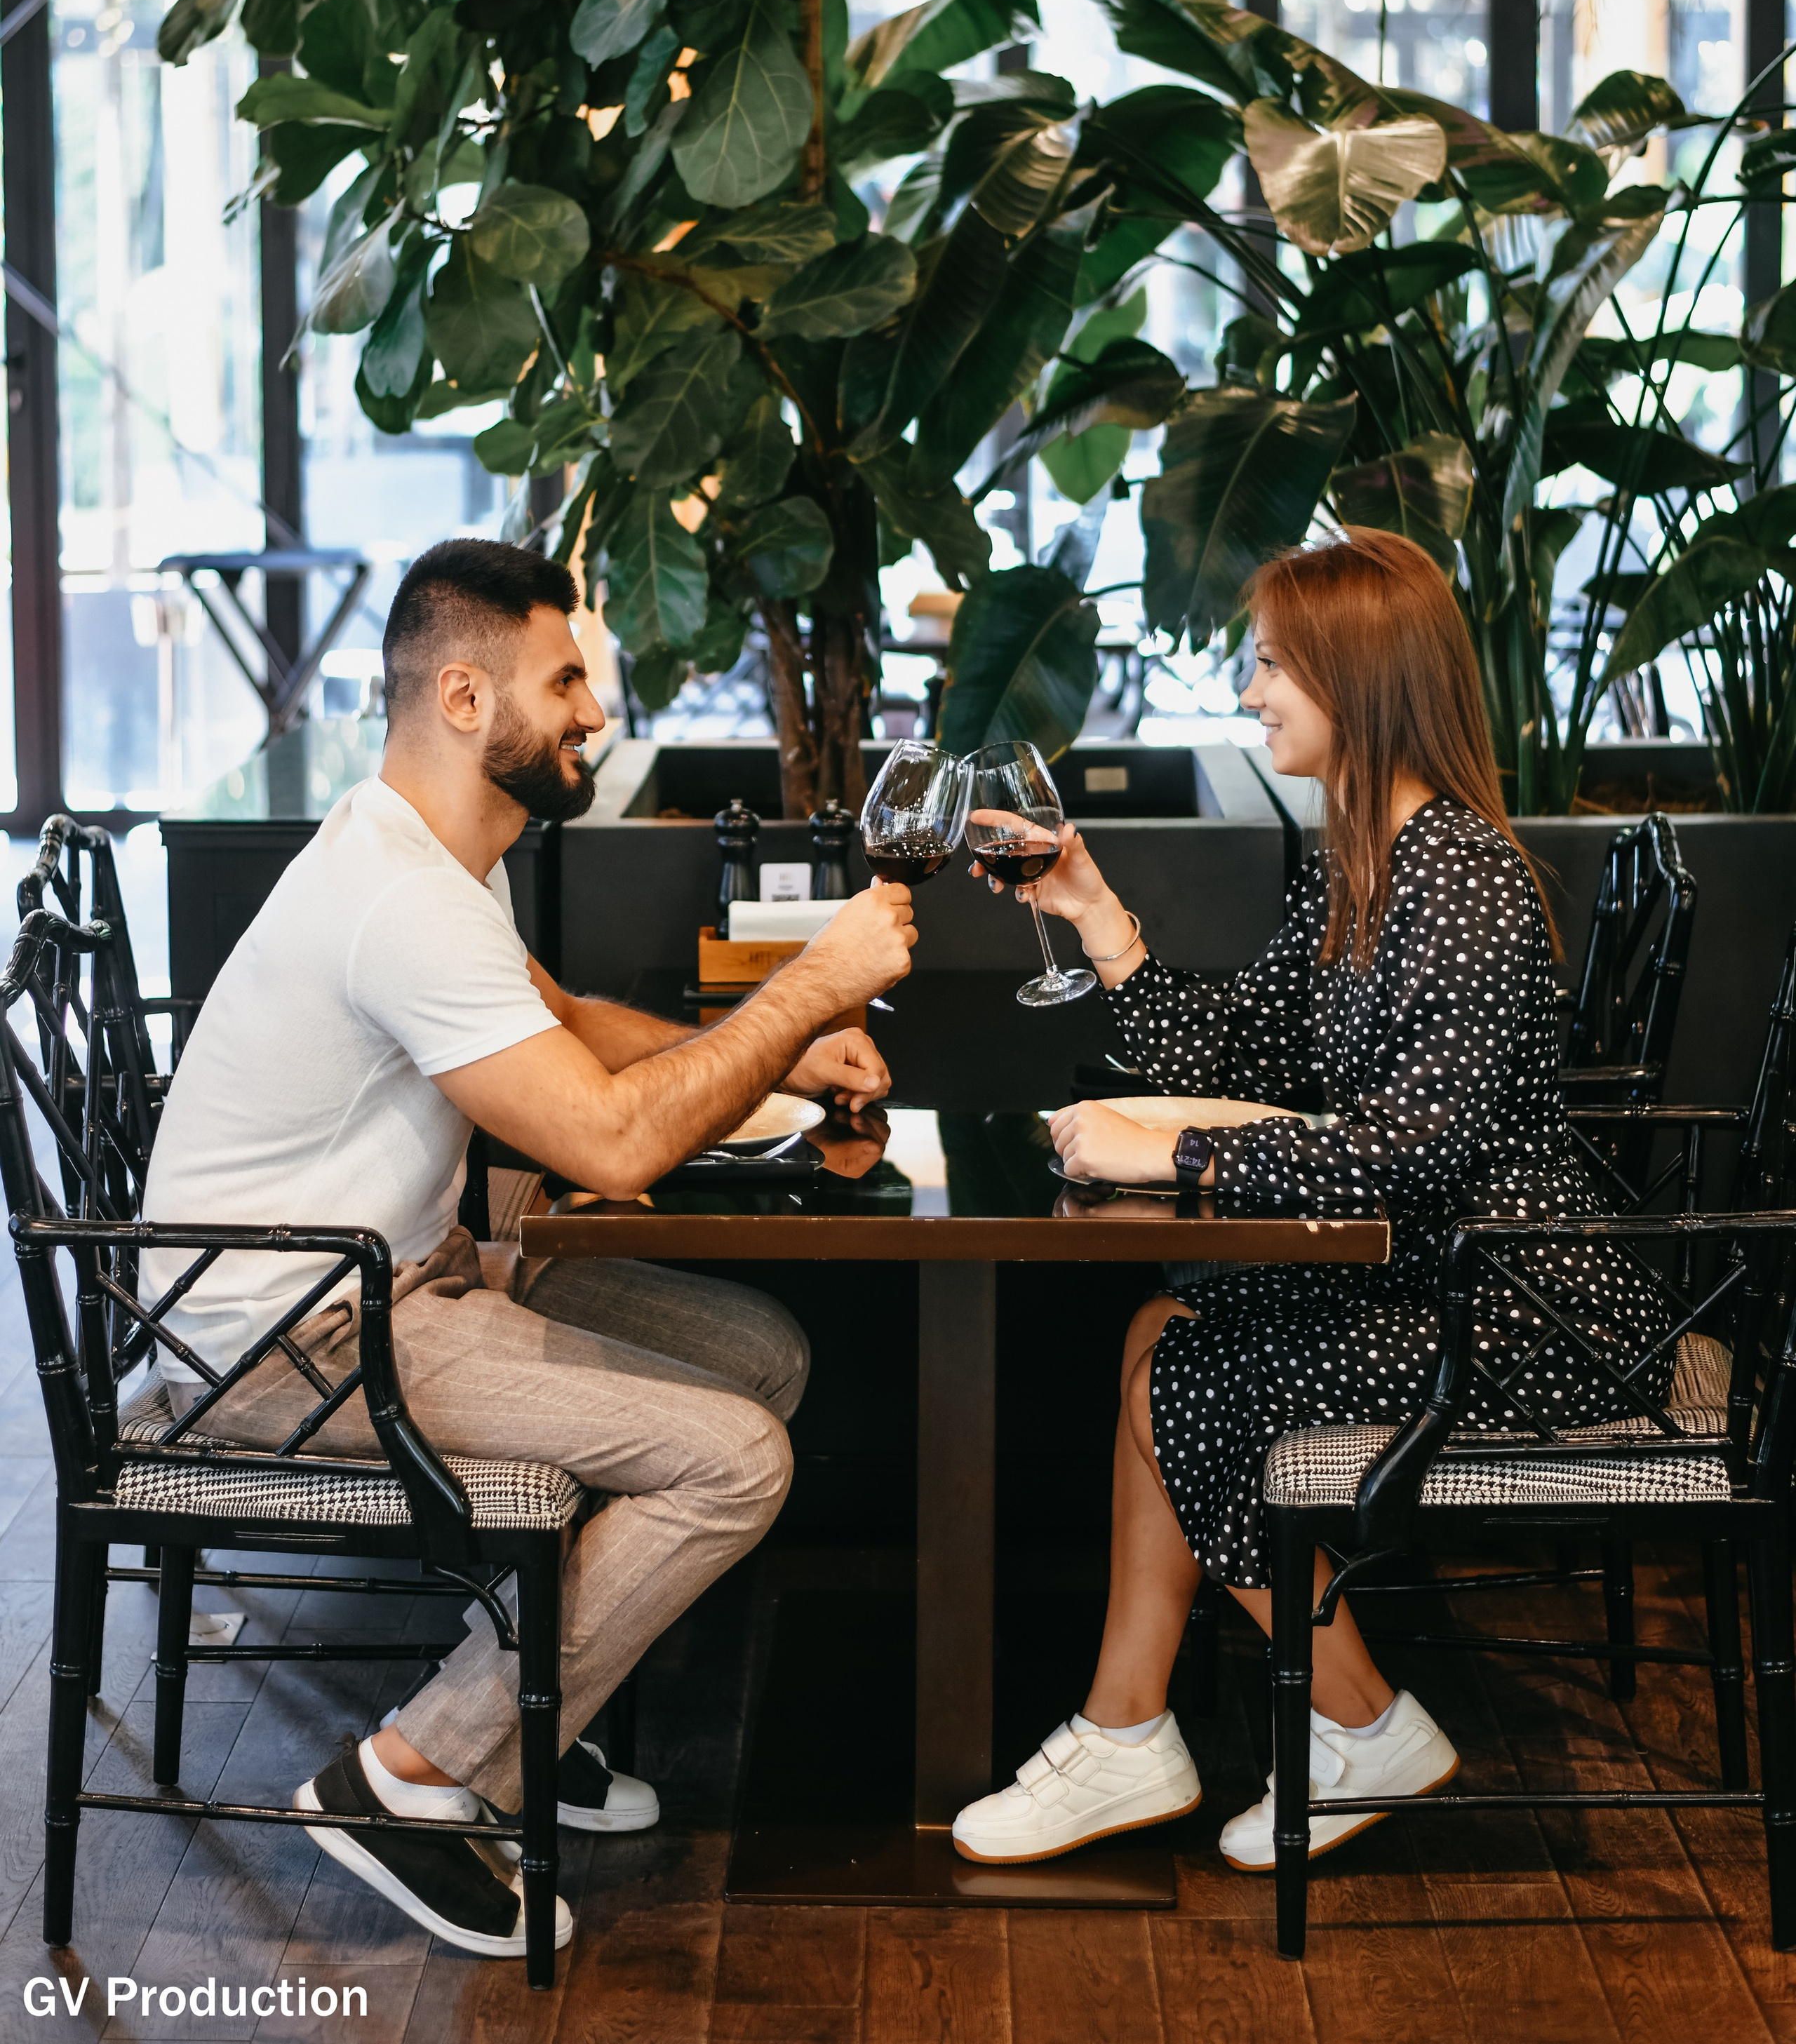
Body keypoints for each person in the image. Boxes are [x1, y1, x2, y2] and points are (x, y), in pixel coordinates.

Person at [140, 537, 915, 1959]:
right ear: (460, 694)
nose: (593, 714)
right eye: (565, 681)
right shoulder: (405, 899)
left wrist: (787, 1061)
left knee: (762, 1352)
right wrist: (807, 984)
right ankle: (414, 1773)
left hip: (393, 1281)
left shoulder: (435, 854)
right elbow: (609, 1147)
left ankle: (523, 1713)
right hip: (280, 1343)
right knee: (736, 1457)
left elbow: (558, 1022)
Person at [949, 530, 1678, 1871]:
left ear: (1359, 678)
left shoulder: (1457, 875)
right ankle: (1128, 1731)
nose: (1249, 692)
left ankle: (1358, 1719)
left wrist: (1168, 1158)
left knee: (1198, 1367)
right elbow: (1247, 1055)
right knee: (1165, 1336)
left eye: (1271, 665)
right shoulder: (1363, 854)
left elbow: (1402, 1160)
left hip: (1523, 1304)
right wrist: (1099, 912)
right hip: (1445, 1275)